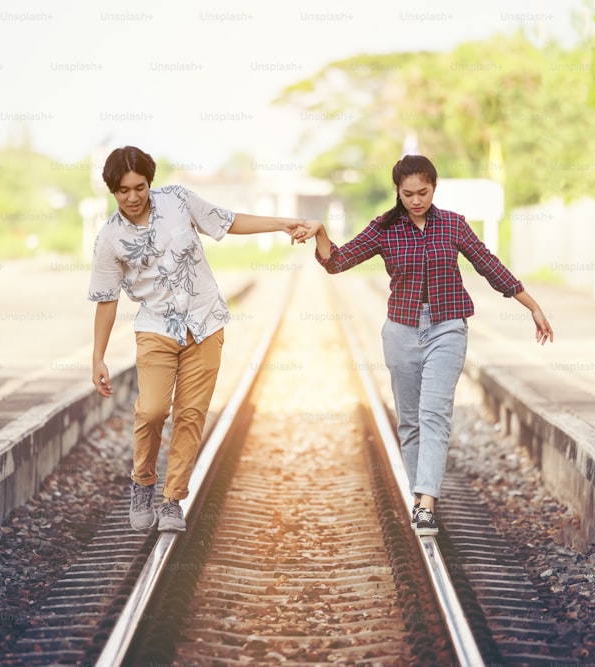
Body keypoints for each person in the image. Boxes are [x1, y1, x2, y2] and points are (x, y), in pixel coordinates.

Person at [293, 154, 554, 536]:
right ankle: (420, 500)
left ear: (434, 187)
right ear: (397, 192)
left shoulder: (453, 225)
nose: (416, 200)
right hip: (401, 330)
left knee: (434, 413)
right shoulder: (384, 229)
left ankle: (427, 503)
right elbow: (338, 261)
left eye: (423, 192)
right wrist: (319, 232)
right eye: (408, 193)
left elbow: (488, 265)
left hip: (447, 327)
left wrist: (532, 306)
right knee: (411, 421)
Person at [90, 145, 312, 533]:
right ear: (112, 191)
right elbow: (106, 300)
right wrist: (98, 357)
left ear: (149, 183)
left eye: (139, 187)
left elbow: (227, 222)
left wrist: (282, 223)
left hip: (205, 325)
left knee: (191, 415)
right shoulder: (109, 239)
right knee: (152, 411)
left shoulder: (178, 200)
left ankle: (173, 499)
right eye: (123, 190)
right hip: (156, 328)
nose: (132, 197)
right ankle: (143, 483)